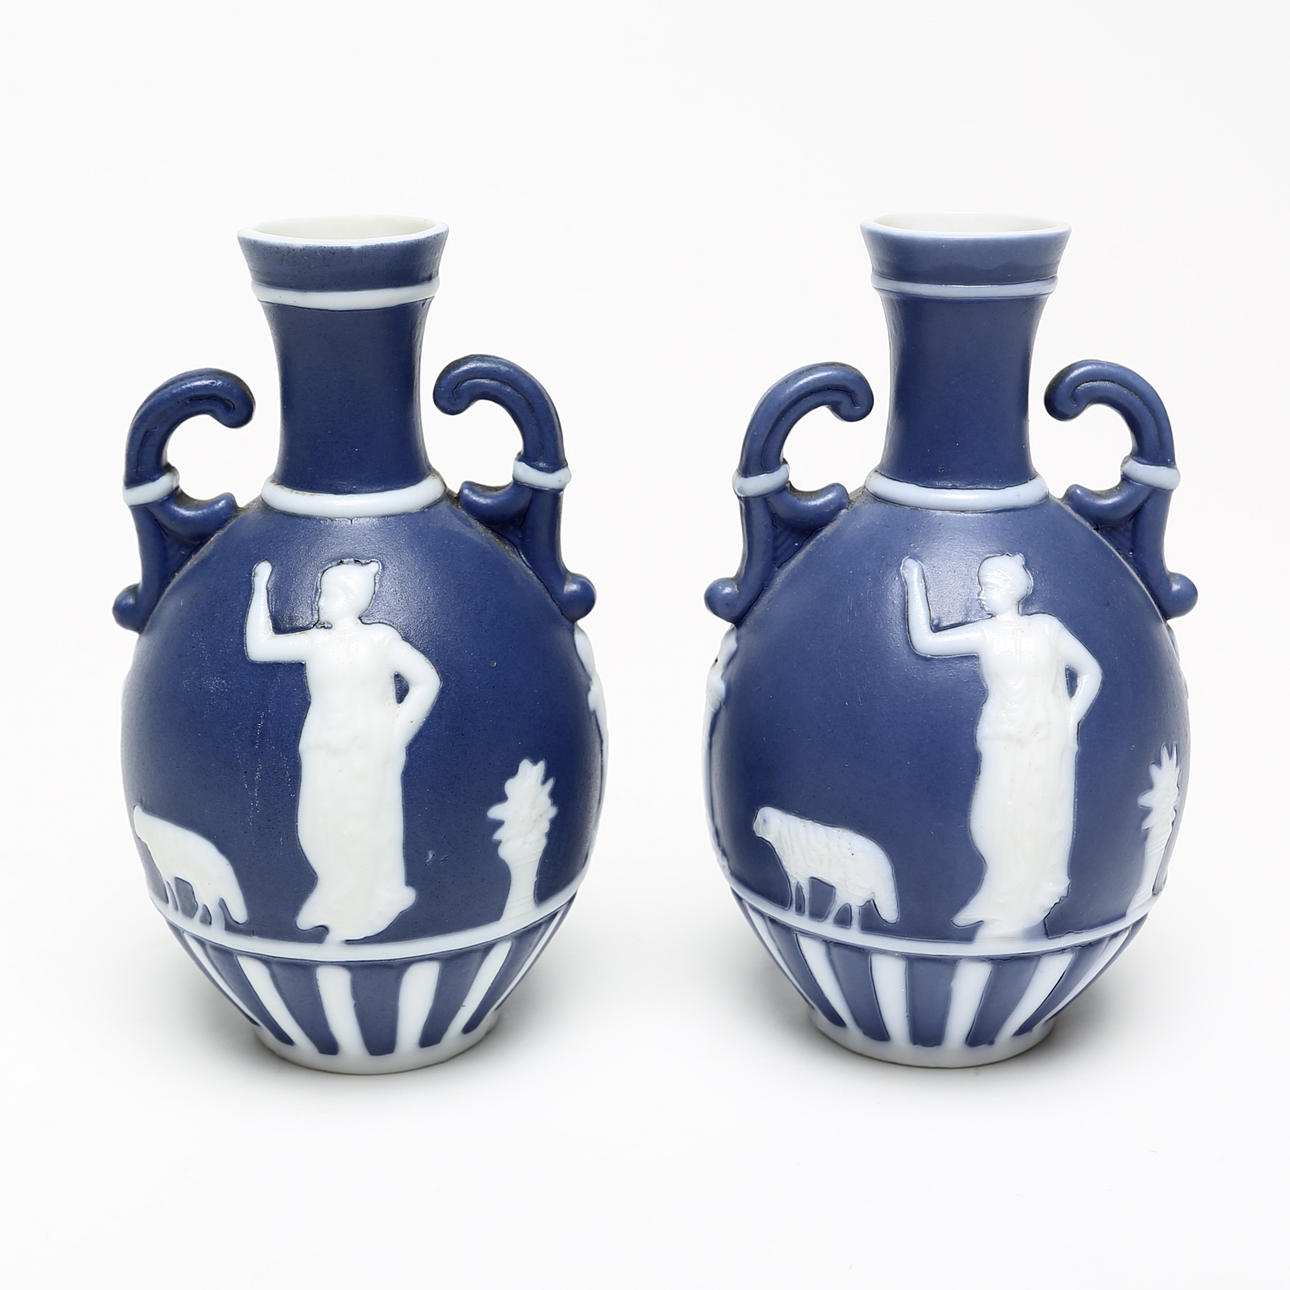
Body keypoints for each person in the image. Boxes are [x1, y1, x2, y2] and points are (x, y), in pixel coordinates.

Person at [900, 554, 1101, 940]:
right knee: (990, 821)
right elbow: (925, 642)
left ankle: (1024, 902)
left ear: (1010, 589)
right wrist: (913, 584)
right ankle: (999, 894)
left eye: (988, 586)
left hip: (1043, 739)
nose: (981, 594)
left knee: (1037, 816)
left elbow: (1089, 671)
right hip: (1001, 736)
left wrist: (1069, 719)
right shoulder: (985, 634)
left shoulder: (1047, 629)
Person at [245, 559, 440, 941]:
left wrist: (398, 732)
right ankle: (334, 896)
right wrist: (260, 589)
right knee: (317, 828)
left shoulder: (380, 640)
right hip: (322, 746)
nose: (320, 601)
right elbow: (259, 647)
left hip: (368, 748)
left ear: (350, 598)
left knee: (364, 825)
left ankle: (364, 906)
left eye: (329, 595)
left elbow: (426, 680)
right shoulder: (317, 642)